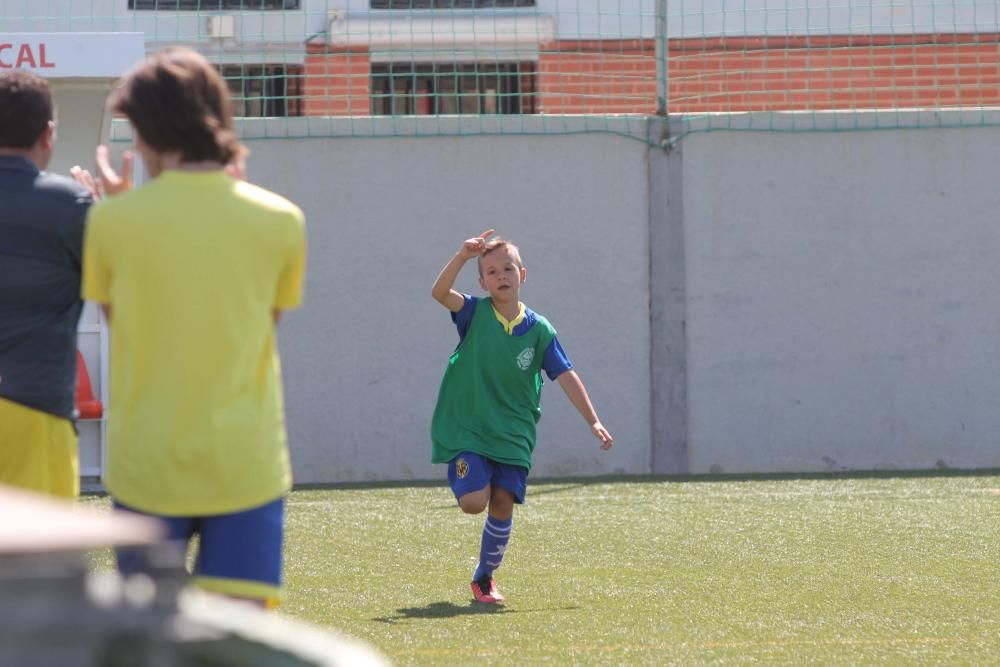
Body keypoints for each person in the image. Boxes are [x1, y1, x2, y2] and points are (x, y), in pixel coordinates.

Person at [79, 47, 306, 607]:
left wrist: (126, 214)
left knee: (151, 643)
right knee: (238, 640)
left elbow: (122, 324)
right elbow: (261, 326)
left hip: (145, 465)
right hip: (245, 463)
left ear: (153, 127)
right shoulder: (281, 220)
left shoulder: (111, 221)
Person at [430, 230, 613, 604]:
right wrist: (462, 256)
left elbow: (565, 374)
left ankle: (484, 578)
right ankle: (463, 468)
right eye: (492, 271)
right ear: (482, 282)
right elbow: (439, 293)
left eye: (508, 268)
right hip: (471, 427)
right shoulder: (473, 313)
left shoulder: (540, 330)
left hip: (514, 432)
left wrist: (592, 420)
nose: (501, 275)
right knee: (473, 503)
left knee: (502, 503)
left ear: (522, 275)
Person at [0, 70, 93, 498]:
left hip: (37, 405)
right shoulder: (71, 203)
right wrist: (106, 213)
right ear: (48, 134)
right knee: (40, 563)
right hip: (35, 411)